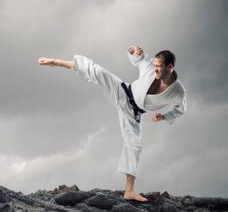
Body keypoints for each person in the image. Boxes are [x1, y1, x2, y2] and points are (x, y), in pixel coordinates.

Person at [38, 46, 187, 202]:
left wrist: (163, 116)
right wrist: (132, 51)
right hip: (123, 91)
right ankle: (55, 62)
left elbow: (181, 110)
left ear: (170, 67)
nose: (154, 68)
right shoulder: (149, 68)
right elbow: (139, 58)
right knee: (98, 72)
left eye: (158, 66)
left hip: (133, 113)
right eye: (154, 65)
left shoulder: (178, 92)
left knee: (135, 146)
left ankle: (129, 191)